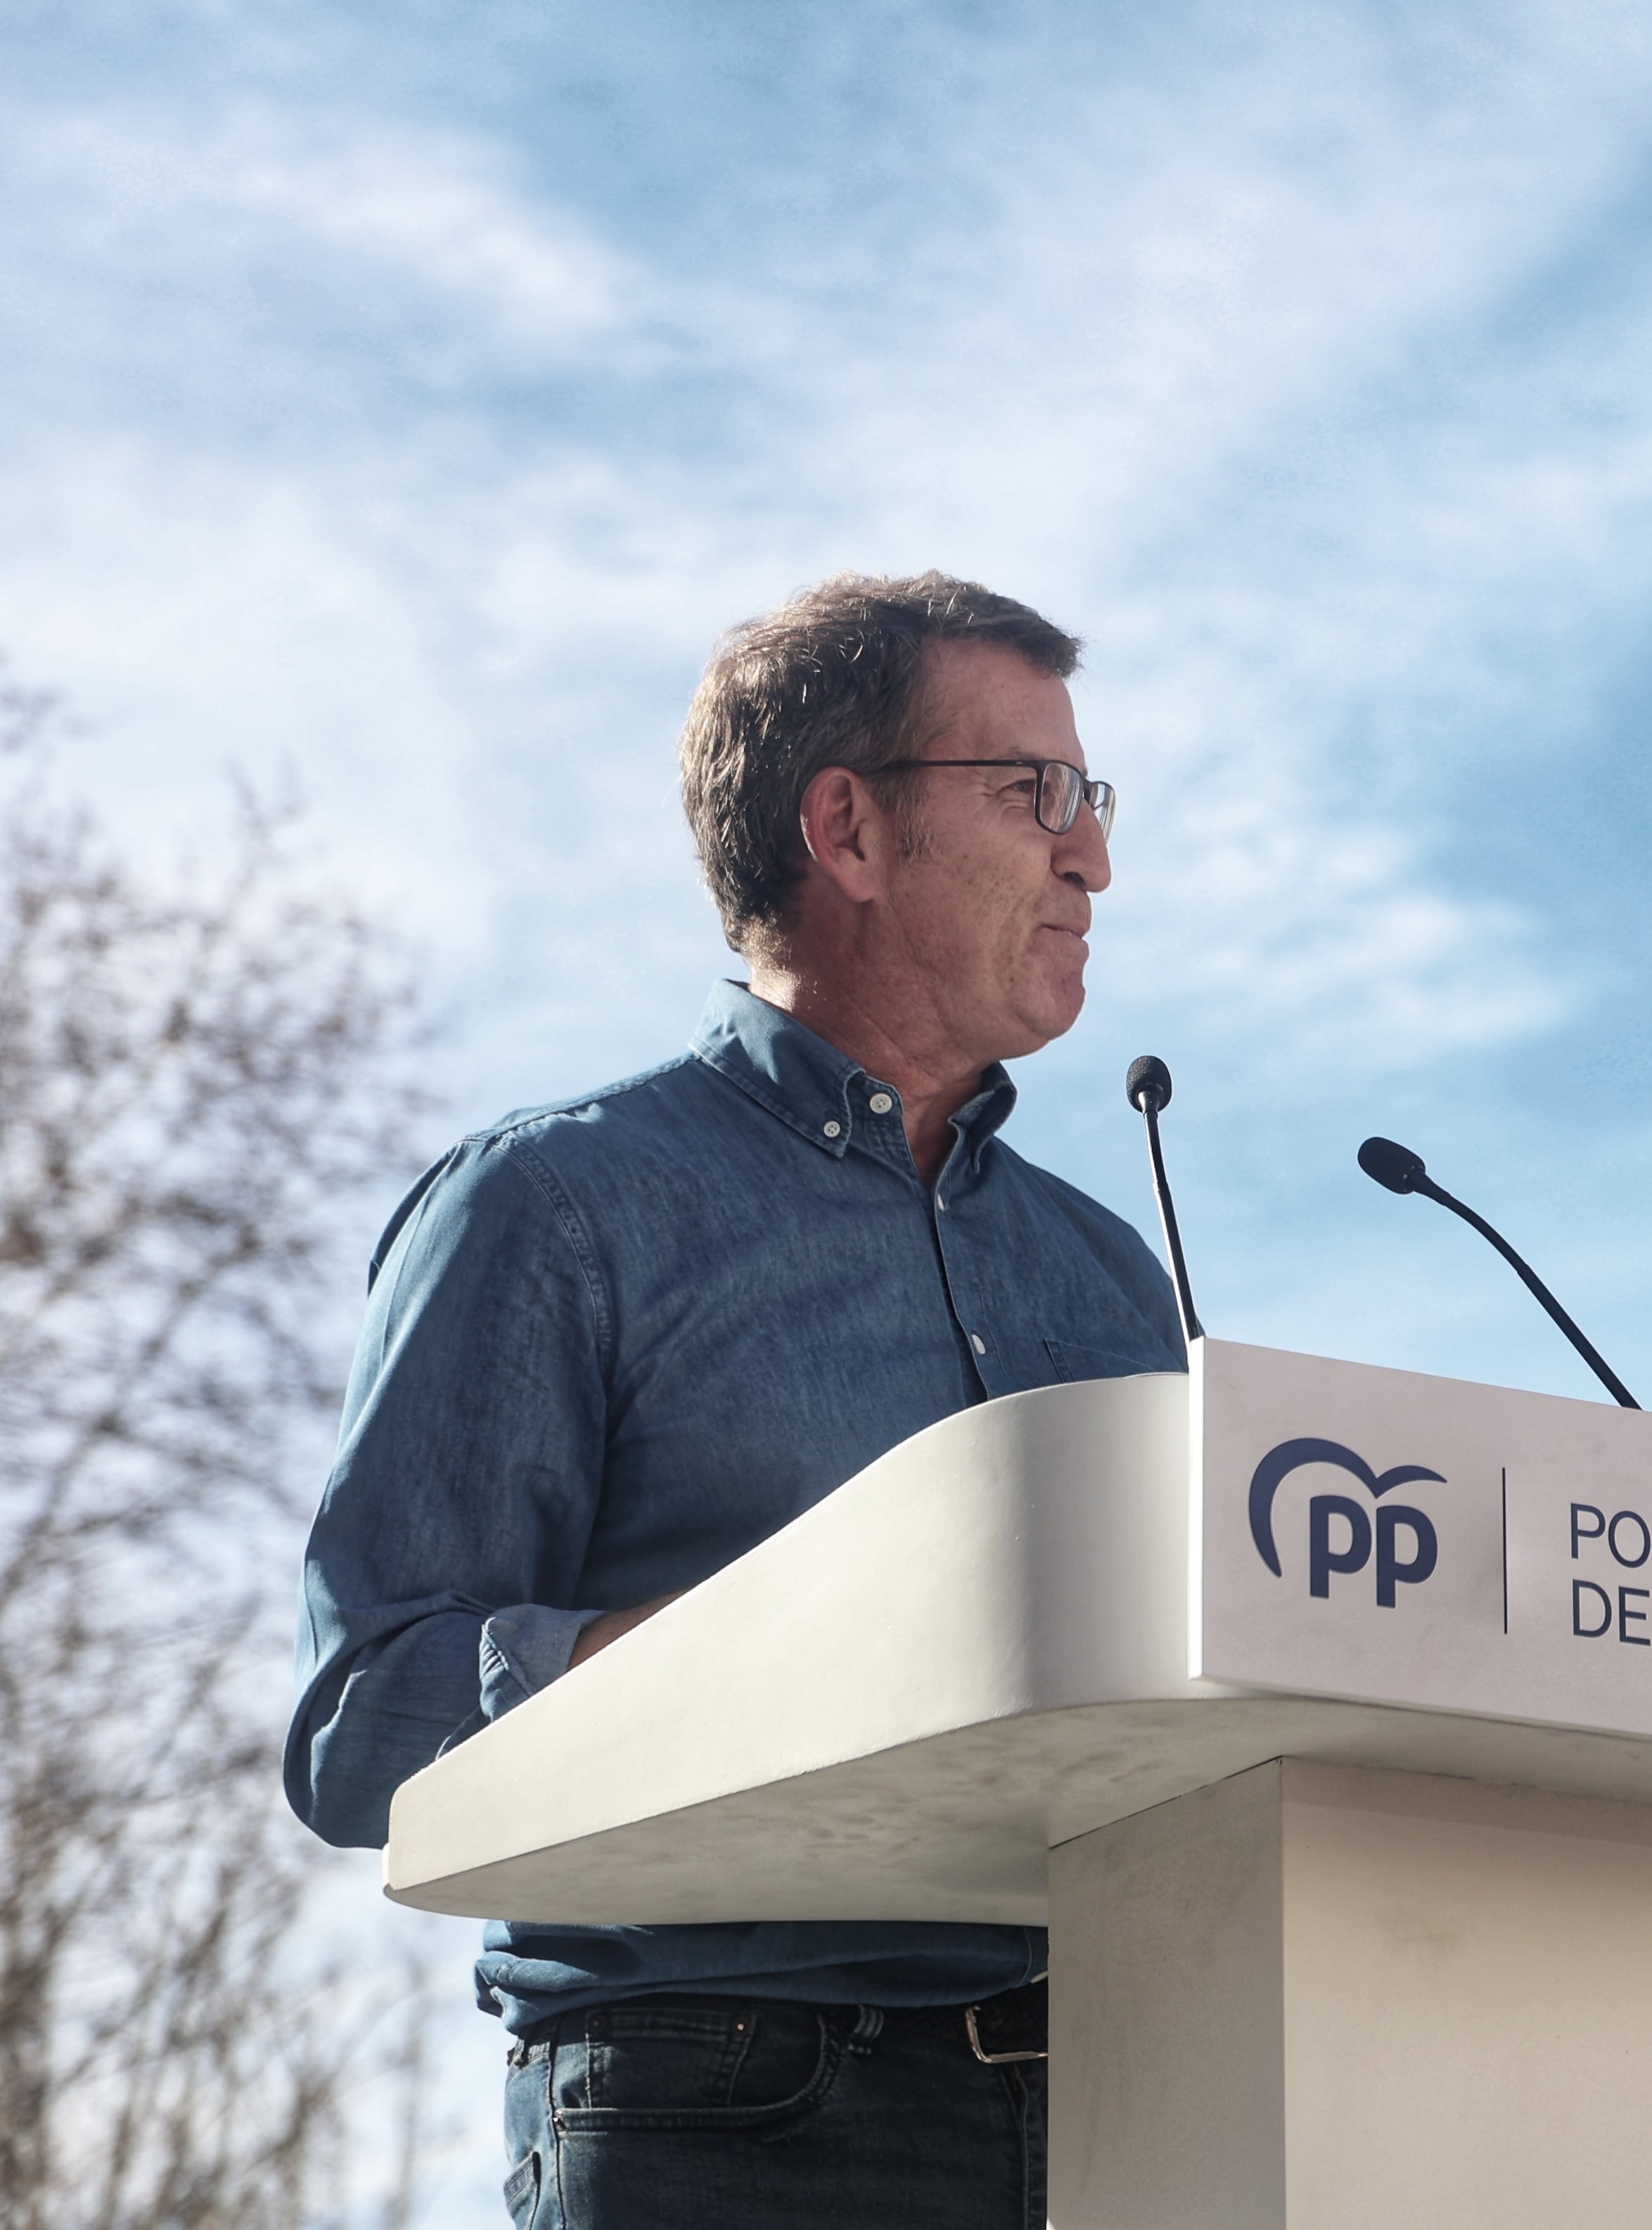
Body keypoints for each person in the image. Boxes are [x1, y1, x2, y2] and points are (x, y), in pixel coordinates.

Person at [284, 573, 1186, 2230]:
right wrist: (735, 1649)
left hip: (1132, 2104)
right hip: (726, 2107)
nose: (1092, 855)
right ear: (845, 828)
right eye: (1032, 791)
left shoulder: (1112, 1274)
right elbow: (359, 1729)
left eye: (1092, 797)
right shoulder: (554, 1205)